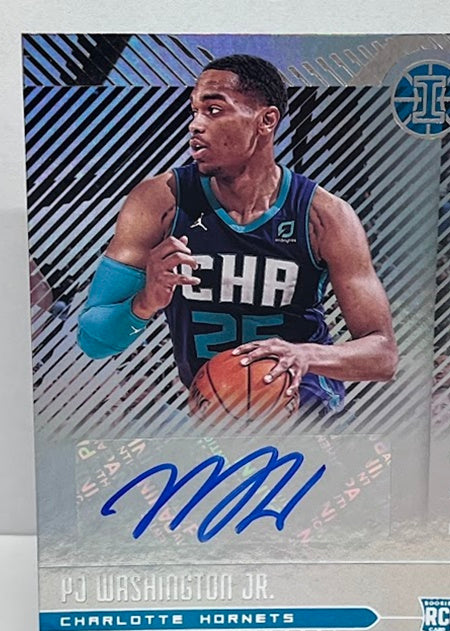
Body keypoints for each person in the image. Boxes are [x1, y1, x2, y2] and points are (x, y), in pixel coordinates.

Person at [78, 54, 398, 414]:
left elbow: (382, 355)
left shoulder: (324, 215)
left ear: (266, 120)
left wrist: (304, 355)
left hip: (305, 406)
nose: (195, 125)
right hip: (214, 409)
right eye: (194, 111)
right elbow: (93, 341)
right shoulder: (160, 202)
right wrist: (145, 302)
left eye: (213, 111)